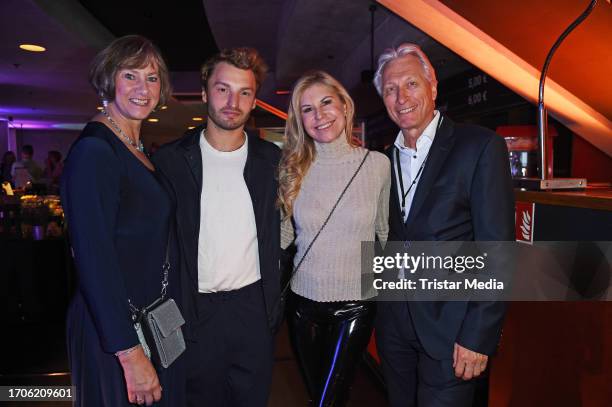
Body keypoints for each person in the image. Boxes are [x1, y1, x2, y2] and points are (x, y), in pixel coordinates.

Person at [373, 43, 514, 406]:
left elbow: (497, 250)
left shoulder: (479, 146)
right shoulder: (381, 161)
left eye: (411, 84)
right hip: (394, 330)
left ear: (433, 86)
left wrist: (478, 336)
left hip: (453, 332)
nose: (401, 97)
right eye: (390, 89)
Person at [151, 47, 281, 407]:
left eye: (245, 92)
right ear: (205, 92)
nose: (232, 102)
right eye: (223, 89)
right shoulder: (169, 162)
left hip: (253, 309)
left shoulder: (272, 162)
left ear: (255, 101)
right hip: (193, 309)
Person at [61, 35, 184, 406]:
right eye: (130, 75)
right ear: (108, 79)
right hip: (116, 333)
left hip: (149, 319)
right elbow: (93, 259)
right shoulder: (95, 151)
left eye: (152, 78)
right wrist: (130, 353)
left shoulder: (136, 147)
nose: (142, 88)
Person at [278, 71, 391, 406]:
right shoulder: (292, 169)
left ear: (344, 105)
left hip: (358, 303)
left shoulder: (377, 165)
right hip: (303, 304)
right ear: (300, 121)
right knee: (319, 395)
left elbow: (383, 234)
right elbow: (285, 236)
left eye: (326, 102)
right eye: (307, 110)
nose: (319, 115)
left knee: (330, 397)